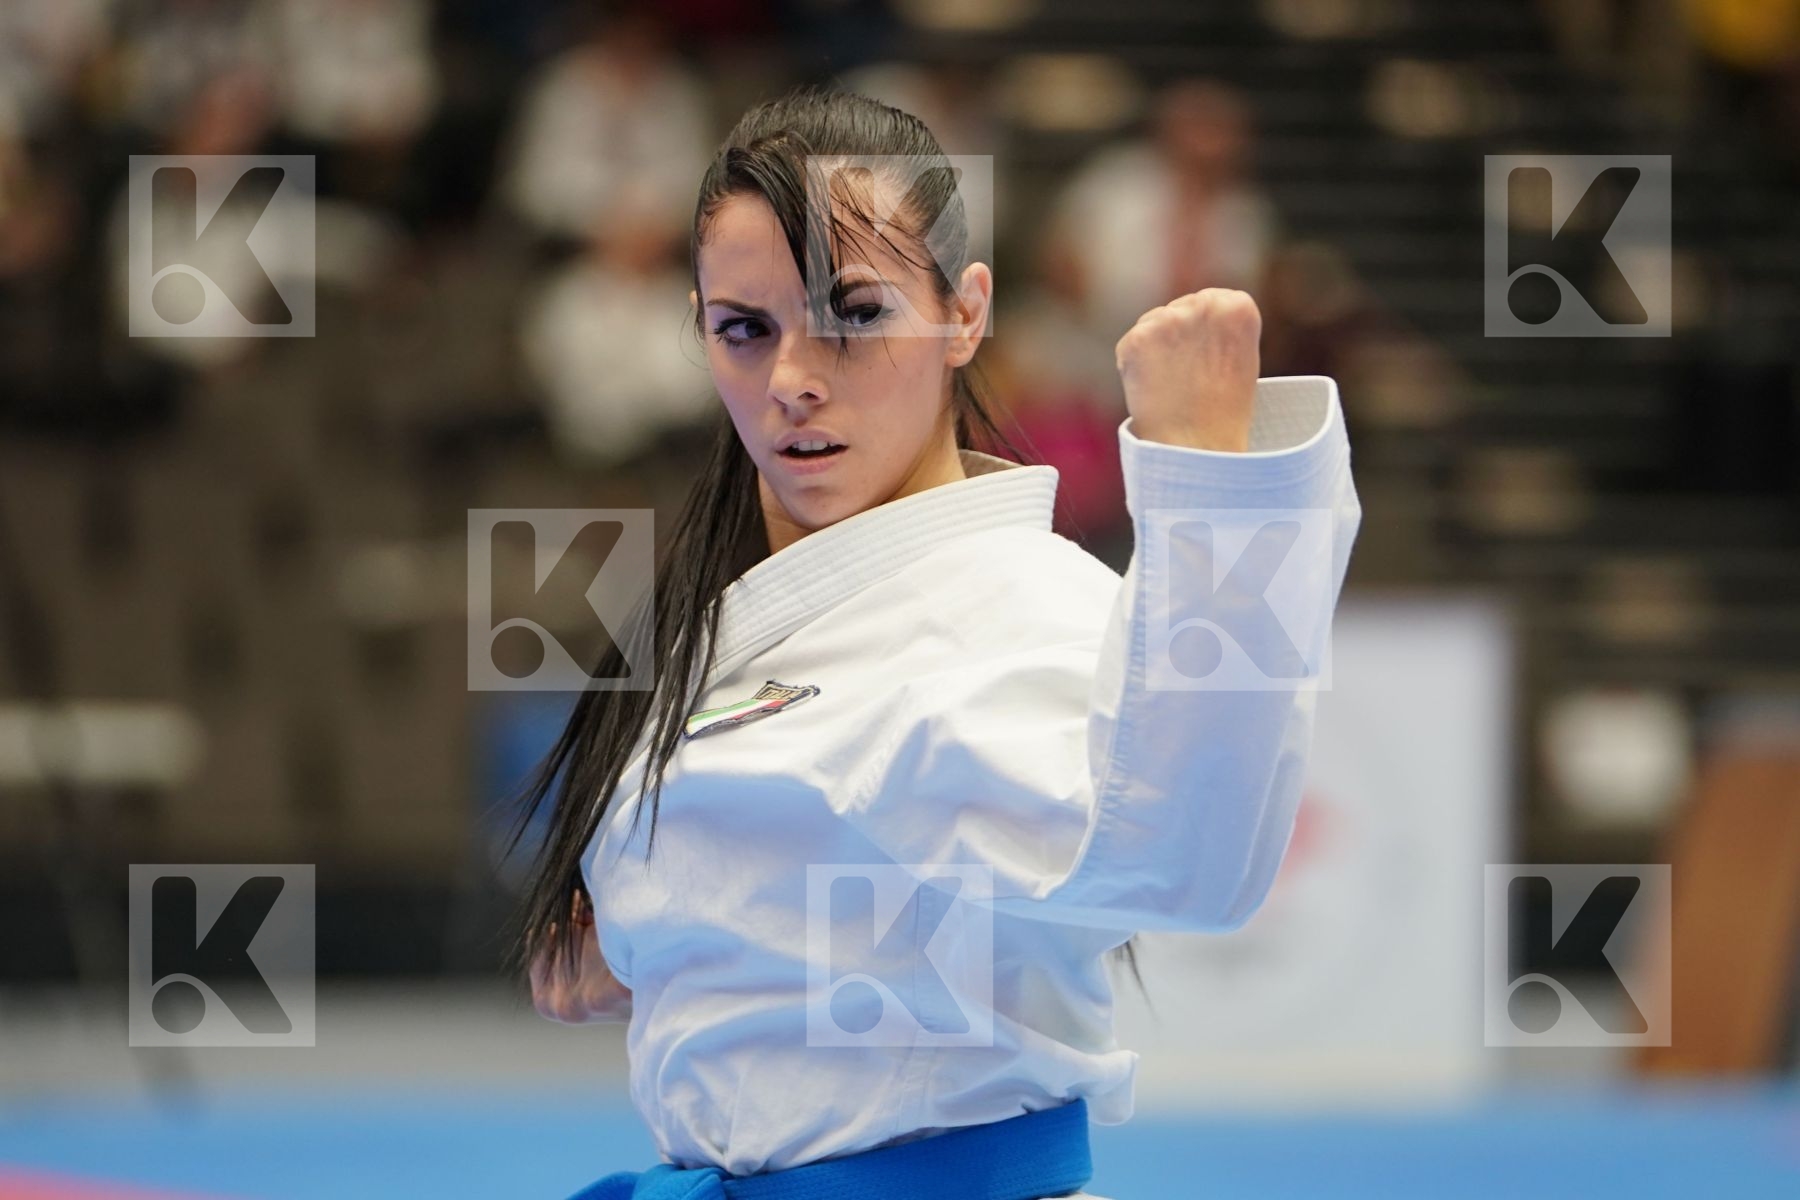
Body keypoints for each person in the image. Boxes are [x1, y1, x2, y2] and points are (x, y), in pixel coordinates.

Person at [512, 84, 1361, 1200]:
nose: (792, 381)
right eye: (743, 330)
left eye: (855, 314)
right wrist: (643, 936)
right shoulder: (714, 622)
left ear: (965, 312)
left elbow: (1189, 867)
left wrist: (1212, 485)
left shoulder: (1022, 604)